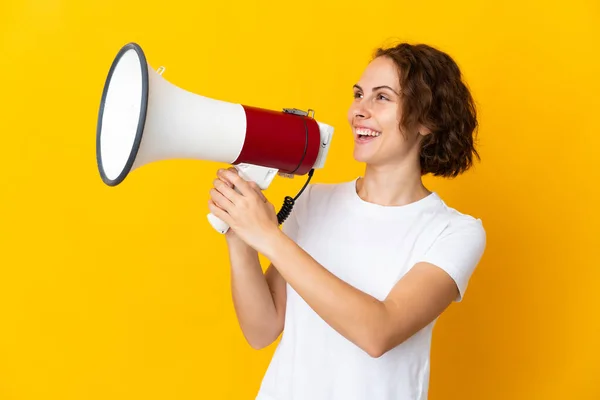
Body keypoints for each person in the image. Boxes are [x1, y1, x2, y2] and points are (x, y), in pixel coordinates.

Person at [207, 42, 487, 400]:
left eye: (382, 98)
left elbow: (378, 332)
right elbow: (262, 331)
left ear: (426, 121)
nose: (359, 110)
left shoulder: (453, 232)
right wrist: (240, 238)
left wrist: (268, 236)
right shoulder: (314, 201)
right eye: (358, 94)